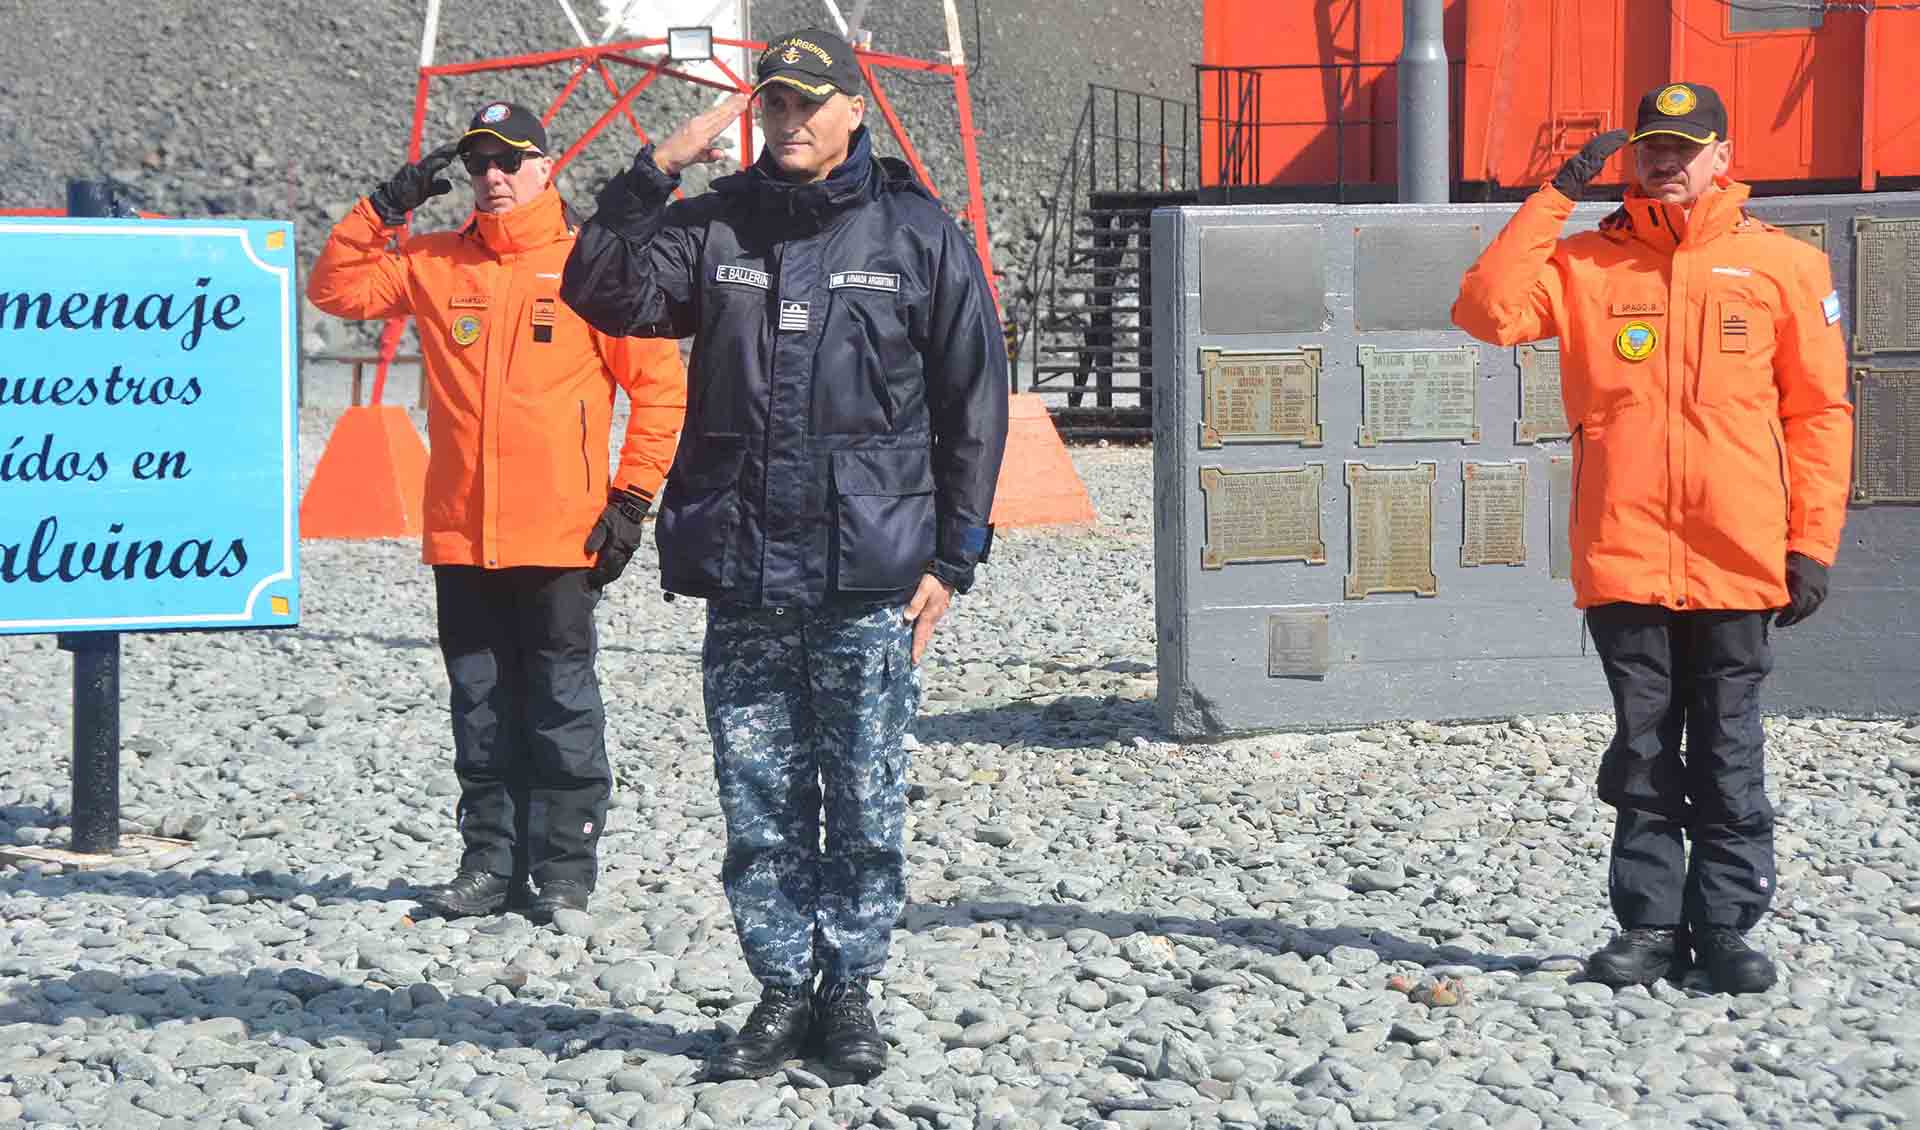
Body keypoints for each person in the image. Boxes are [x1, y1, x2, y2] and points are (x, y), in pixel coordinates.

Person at [561, 27, 1008, 1079]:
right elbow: (598, 288)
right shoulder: (711, 226)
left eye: (810, 102)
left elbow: (973, 401)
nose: (791, 120)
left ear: (853, 109)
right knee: (757, 798)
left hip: (869, 572)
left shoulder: (916, 234)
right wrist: (654, 169)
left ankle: (849, 990)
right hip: (748, 568)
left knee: (863, 795)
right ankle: (778, 989)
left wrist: (956, 556)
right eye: (774, 104)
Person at [1453, 82, 1853, 994]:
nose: (1666, 162)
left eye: (1685, 147)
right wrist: (1556, 195)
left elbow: (1820, 413)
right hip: (1626, 550)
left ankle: (1726, 927)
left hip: (1738, 555)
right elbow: (1483, 311)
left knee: (1727, 747)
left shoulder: (1784, 267)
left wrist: (1812, 542)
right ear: (1631, 158)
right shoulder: (1587, 264)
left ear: (1723, 155)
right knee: (1640, 748)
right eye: (1652, 148)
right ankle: (1649, 926)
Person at [308, 101, 688, 924]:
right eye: (481, 161)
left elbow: (661, 391)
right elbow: (334, 289)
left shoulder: (594, 265)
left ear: (546, 167)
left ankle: (563, 869)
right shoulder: (436, 262)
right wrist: (383, 209)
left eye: (512, 160)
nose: (494, 176)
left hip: (562, 532)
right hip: (462, 531)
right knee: (478, 704)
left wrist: (630, 500)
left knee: (560, 700)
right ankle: (488, 863)